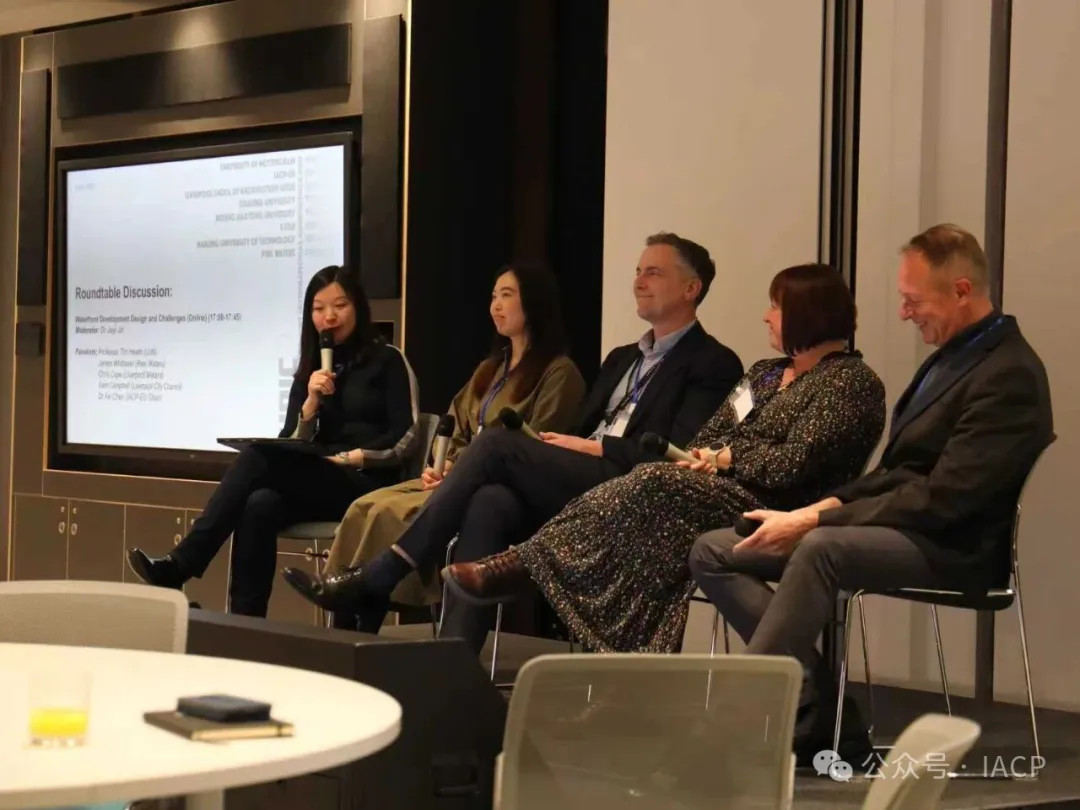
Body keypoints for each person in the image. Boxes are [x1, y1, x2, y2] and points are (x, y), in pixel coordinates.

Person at [688, 224, 1054, 763]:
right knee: (717, 548)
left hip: (954, 547)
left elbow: (946, 500)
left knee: (820, 550)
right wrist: (817, 507)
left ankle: (740, 718)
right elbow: (896, 472)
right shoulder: (953, 356)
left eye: (912, 300)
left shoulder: (1009, 373)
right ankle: (815, 704)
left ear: (960, 290)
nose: (904, 313)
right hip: (908, 526)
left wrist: (815, 525)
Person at [283, 232, 744, 649]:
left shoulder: (713, 362)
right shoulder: (623, 357)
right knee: (490, 499)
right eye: (638, 271)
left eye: (654, 272)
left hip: (627, 486)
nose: (639, 282)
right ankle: (452, 661)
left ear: (691, 288)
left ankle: (385, 572)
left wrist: (596, 447)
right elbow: (572, 428)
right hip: (577, 478)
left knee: (497, 443)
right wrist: (569, 444)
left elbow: (676, 449)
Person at [444, 263, 886, 655]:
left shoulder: (850, 382)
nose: (766, 316)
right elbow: (710, 437)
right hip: (714, 491)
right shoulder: (764, 373)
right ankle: (563, 605)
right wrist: (712, 457)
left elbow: (793, 462)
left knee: (653, 483)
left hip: (779, 510)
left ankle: (525, 565)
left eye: (776, 307)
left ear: (809, 313)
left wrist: (729, 458)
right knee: (650, 508)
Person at [282, 262, 587, 631]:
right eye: (493, 297)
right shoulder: (490, 369)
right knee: (366, 507)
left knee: (388, 514)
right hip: (453, 478)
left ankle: (361, 621)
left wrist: (459, 474)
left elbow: (536, 447)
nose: (496, 306)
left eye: (507, 296)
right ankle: (344, 616)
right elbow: (454, 425)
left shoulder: (559, 373)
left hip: (497, 489)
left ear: (535, 304)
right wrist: (442, 467)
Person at [126, 265, 418, 616]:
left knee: (256, 458)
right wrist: (310, 405)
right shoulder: (313, 369)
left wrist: (351, 457)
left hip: (367, 485)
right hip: (321, 483)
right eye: (318, 308)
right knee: (259, 504)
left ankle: (181, 563)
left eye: (339, 305)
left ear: (358, 307)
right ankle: (246, 625)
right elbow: (291, 441)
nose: (329, 316)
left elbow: (407, 436)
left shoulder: (388, 359)